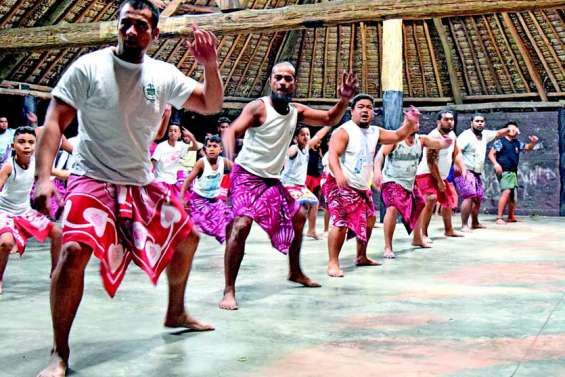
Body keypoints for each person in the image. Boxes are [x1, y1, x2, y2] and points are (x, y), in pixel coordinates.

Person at [34, 1, 223, 376]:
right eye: (126, 24)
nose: (132, 31)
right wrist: (43, 177)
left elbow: (211, 102)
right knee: (72, 251)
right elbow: (54, 122)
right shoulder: (89, 67)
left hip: (139, 181)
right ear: (117, 26)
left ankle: (176, 311)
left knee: (186, 238)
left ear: (153, 34)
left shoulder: (162, 74)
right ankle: (60, 352)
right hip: (92, 178)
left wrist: (210, 66)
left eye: (140, 25)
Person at [220, 63, 358, 310]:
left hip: (271, 180)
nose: (283, 82)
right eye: (278, 78)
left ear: (294, 84)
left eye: (288, 79)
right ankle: (229, 290)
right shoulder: (258, 108)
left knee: (299, 215)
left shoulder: (296, 111)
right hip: (245, 176)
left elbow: (329, 118)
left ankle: (295, 271)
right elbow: (232, 131)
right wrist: (229, 158)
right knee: (241, 226)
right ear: (271, 82)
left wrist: (344, 100)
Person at [324, 95, 419, 277]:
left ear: (373, 113)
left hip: (360, 186)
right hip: (340, 183)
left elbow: (398, 135)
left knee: (369, 219)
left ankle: (361, 257)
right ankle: (333, 263)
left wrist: (409, 122)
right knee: (341, 223)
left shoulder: (375, 132)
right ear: (352, 111)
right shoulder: (344, 131)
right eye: (360, 107)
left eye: (369, 107)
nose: (365, 110)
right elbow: (332, 156)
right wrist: (339, 175)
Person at [0, 127, 63, 294]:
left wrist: (83, 174)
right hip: (4, 212)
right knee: (5, 243)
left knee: (57, 232)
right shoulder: (8, 167)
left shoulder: (36, 164)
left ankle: (55, 273)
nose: (26, 146)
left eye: (30, 142)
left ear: (35, 145)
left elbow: (60, 173)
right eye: (21, 142)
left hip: (24, 211)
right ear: (13, 146)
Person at [374, 131, 453, 259]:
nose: (414, 125)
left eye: (416, 122)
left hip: (409, 181)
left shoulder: (421, 140)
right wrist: (377, 171)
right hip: (391, 180)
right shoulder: (395, 138)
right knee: (393, 208)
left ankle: (417, 239)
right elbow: (380, 155)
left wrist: (446, 142)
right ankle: (388, 247)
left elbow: (438, 144)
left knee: (420, 203)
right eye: (411, 122)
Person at [412, 110, 467, 248]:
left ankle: (449, 230)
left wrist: (462, 167)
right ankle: (423, 233)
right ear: (438, 122)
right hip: (427, 174)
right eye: (446, 119)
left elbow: (456, 153)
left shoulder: (452, 134)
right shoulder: (434, 136)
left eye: (451, 119)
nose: (450, 122)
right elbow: (431, 162)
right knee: (430, 200)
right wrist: (439, 181)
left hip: (441, 174)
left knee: (448, 201)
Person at [455, 115, 516, 231]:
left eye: (482, 121)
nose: (479, 123)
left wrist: (509, 130)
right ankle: (464, 225)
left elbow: (498, 133)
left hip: (476, 172)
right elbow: (456, 152)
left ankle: (475, 223)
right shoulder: (465, 136)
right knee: (469, 196)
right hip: (465, 170)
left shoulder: (485, 135)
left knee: (477, 198)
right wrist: (462, 169)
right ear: (471, 122)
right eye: (477, 121)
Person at [179, 134, 233, 243]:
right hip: (199, 200)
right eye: (209, 146)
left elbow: (238, 172)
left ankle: (231, 245)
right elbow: (187, 181)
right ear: (205, 149)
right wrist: (181, 198)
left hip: (215, 201)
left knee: (230, 218)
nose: (211, 149)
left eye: (214, 146)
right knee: (197, 225)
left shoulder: (225, 162)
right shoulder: (201, 163)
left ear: (221, 149)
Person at [281, 125, 332, 239]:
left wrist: (329, 124)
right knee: (295, 209)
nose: (306, 137)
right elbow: (289, 153)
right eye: (302, 134)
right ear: (296, 138)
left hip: (299, 186)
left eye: (307, 134)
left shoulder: (307, 148)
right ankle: (284, 231)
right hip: (288, 185)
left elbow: (319, 135)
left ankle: (311, 230)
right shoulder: (294, 148)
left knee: (314, 202)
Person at [488, 121, 538, 224]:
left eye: (515, 128)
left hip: (513, 171)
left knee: (512, 196)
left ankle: (511, 216)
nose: (513, 130)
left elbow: (528, 147)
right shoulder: (500, 141)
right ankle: (499, 218)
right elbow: (491, 154)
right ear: (506, 131)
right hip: (504, 170)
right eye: (511, 128)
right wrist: (496, 164)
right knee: (506, 192)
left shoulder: (517, 143)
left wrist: (533, 142)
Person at [152, 123, 189, 197]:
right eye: (170, 131)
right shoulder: (161, 146)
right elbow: (153, 161)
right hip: (160, 181)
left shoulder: (181, 146)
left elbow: (196, 147)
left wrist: (190, 135)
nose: (173, 133)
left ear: (179, 134)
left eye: (175, 131)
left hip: (173, 182)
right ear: (168, 133)